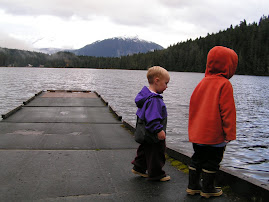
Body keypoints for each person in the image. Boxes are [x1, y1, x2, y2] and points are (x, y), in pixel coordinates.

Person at [186, 46, 238, 198]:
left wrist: (193, 129)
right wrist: (229, 133)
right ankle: (208, 189)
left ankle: (193, 186)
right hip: (215, 136)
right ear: (229, 65)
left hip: (198, 134)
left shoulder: (202, 82)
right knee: (212, 162)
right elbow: (227, 112)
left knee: (197, 158)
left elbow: (194, 107)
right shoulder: (224, 84)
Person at [131, 66, 171, 181]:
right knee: (157, 153)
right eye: (166, 83)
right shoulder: (155, 99)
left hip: (144, 132)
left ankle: (139, 167)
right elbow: (153, 119)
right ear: (157, 81)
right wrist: (159, 130)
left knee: (145, 149)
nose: (166, 87)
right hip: (153, 132)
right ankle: (156, 174)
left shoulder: (145, 96)